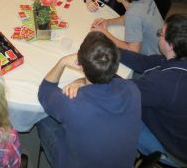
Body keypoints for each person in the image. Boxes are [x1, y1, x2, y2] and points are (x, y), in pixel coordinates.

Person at [37, 31, 141, 168]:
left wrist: (62, 62)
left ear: (81, 64)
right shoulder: (132, 89)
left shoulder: (72, 104)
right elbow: (113, 78)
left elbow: (45, 89)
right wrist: (82, 81)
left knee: (41, 118)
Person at [120, 13, 187, 167]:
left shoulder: (165, 82)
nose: (158, 37)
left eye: (160, 34)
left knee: (116, 111)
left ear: (171, 45)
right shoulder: (179, 57)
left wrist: (98, 69)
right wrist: (114, 51)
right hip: (176, 126)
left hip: (173, 150)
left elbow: (124, 91)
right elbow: (147, 62)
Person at [91, 0, 163, 55]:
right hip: (160, 47)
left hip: (151, 57)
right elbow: (129, 17)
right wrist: (108, 22)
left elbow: (133, 51)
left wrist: (105, 34)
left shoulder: (133, 14)